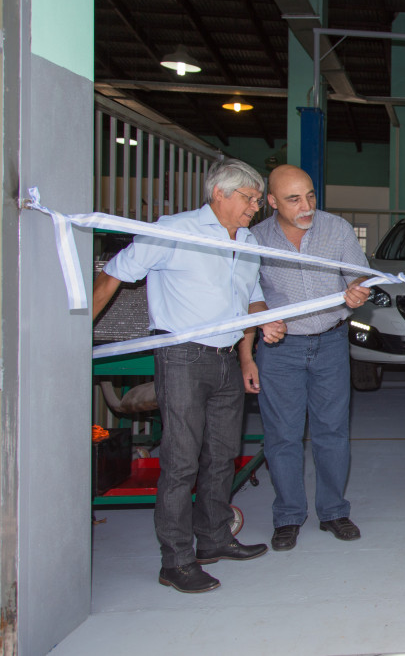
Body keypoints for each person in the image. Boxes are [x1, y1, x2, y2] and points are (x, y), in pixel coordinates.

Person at [91, 158, 287, 594]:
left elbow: (251, 299)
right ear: (219, 193)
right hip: (181, 356)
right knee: (180, 461)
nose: (256, 207)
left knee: (221, 455)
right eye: (250, 198)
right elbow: (115, 274)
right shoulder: (174, 230)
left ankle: (214, 539)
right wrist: (78, 326)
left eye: (257, 199)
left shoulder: (249, 241)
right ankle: (175, 561)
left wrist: (257, 337)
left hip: (226, 359)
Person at [239, 165, 371, 552]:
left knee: (333, 432)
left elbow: (359, 277)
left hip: (331, 342)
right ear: (272, 202)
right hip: (280, 350)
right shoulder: (255, 239)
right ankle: (288, 516)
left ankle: (333, 512)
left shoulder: (337, 229)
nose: (307, 205)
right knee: (282, 436)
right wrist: (265, 318)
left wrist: (357, 290)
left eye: (311, 195)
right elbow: (247, 292)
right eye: (294, 199)